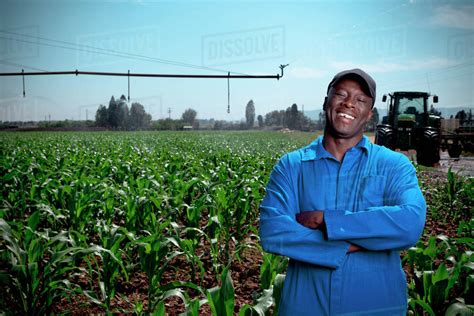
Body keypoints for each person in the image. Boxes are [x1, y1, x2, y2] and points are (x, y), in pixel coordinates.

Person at [259, 69, 426, 315]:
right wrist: (350, 243)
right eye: (341, 94)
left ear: (369, 114)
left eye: (360, 100)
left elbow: (410, 222)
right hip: (305, 306)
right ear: (327, 101)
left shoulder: (394, 165)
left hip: (376, 306)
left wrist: (327, 220)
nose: (349, 103)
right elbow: (273, 231)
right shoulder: (291, 166)